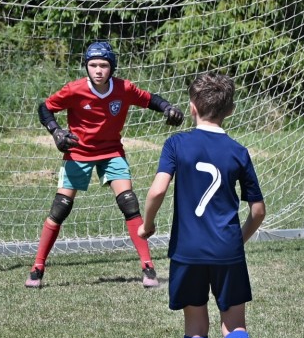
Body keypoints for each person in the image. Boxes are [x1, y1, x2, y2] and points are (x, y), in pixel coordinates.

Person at [139, 72, 265, 338]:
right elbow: (258, 211)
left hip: (188, 252)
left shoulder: (176, 144)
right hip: (227, 251)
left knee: (195, 324)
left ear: (192, 107)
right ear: (232, 109)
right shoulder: (238, 151)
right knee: (234, 324)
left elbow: (157, 191)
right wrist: (238, 240)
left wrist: (147, 224)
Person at [25, 41, 185, 289]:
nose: (98, 70)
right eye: (93, 65)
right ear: (86, 67)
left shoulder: (123, 88)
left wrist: (168, 108)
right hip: (78, 152)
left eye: (103, 65)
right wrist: (56, 131)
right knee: (60, 208)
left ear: (112, 67)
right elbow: (44, 108)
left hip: (111, 152)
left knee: (129, 203)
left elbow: (150, 99)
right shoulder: (75, 89)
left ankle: (148, 267)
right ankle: (37, 268)